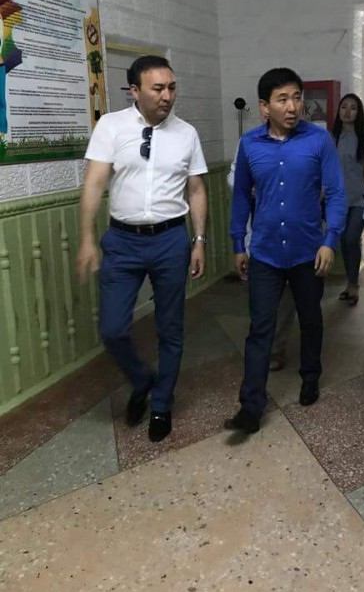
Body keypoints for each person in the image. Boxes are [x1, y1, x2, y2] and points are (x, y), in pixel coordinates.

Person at [77, 55, 208, 443]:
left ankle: (162, 403)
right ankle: (141, 379)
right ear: (134, 90)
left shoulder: (186, 134)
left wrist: (199, 240)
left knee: (170, 327)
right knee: (112, 328)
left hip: (170, 239)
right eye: (158, 88)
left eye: (172, 87)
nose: (167, 96)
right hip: (122, 242)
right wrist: (86, 238)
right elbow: (93, 184)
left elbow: (196, 189)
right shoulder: (111, 126)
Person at [226, 67, 347, 434]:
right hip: (264, 251)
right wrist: (238, 243)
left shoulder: (318, 140)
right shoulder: (249, 144)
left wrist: (329, 241)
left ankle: (310, 377)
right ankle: (250, 407)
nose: (293, 106)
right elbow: (240, 197)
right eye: (283, 99)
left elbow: (336, 193)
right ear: (264, 106)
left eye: (297, 97)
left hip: (308, 251)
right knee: (260, 328)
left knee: (310, 319)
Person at [227, 145, 295, 370]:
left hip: (293, 234)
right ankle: (262, 346)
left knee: (287, 295)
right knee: (262, 298)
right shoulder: (250, 143)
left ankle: (277, 347)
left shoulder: (305, 141)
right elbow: (234, 179)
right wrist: (256, 185)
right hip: (259, 234)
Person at [333, 93, 364, 305]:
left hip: (360, 199)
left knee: (351, 239)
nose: (347, 111)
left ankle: (354, 284)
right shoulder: (332, 137)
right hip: (337, 200)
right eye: (344, 106)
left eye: (353, 108)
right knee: (343, 242)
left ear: (358, 113)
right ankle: (350, 281)